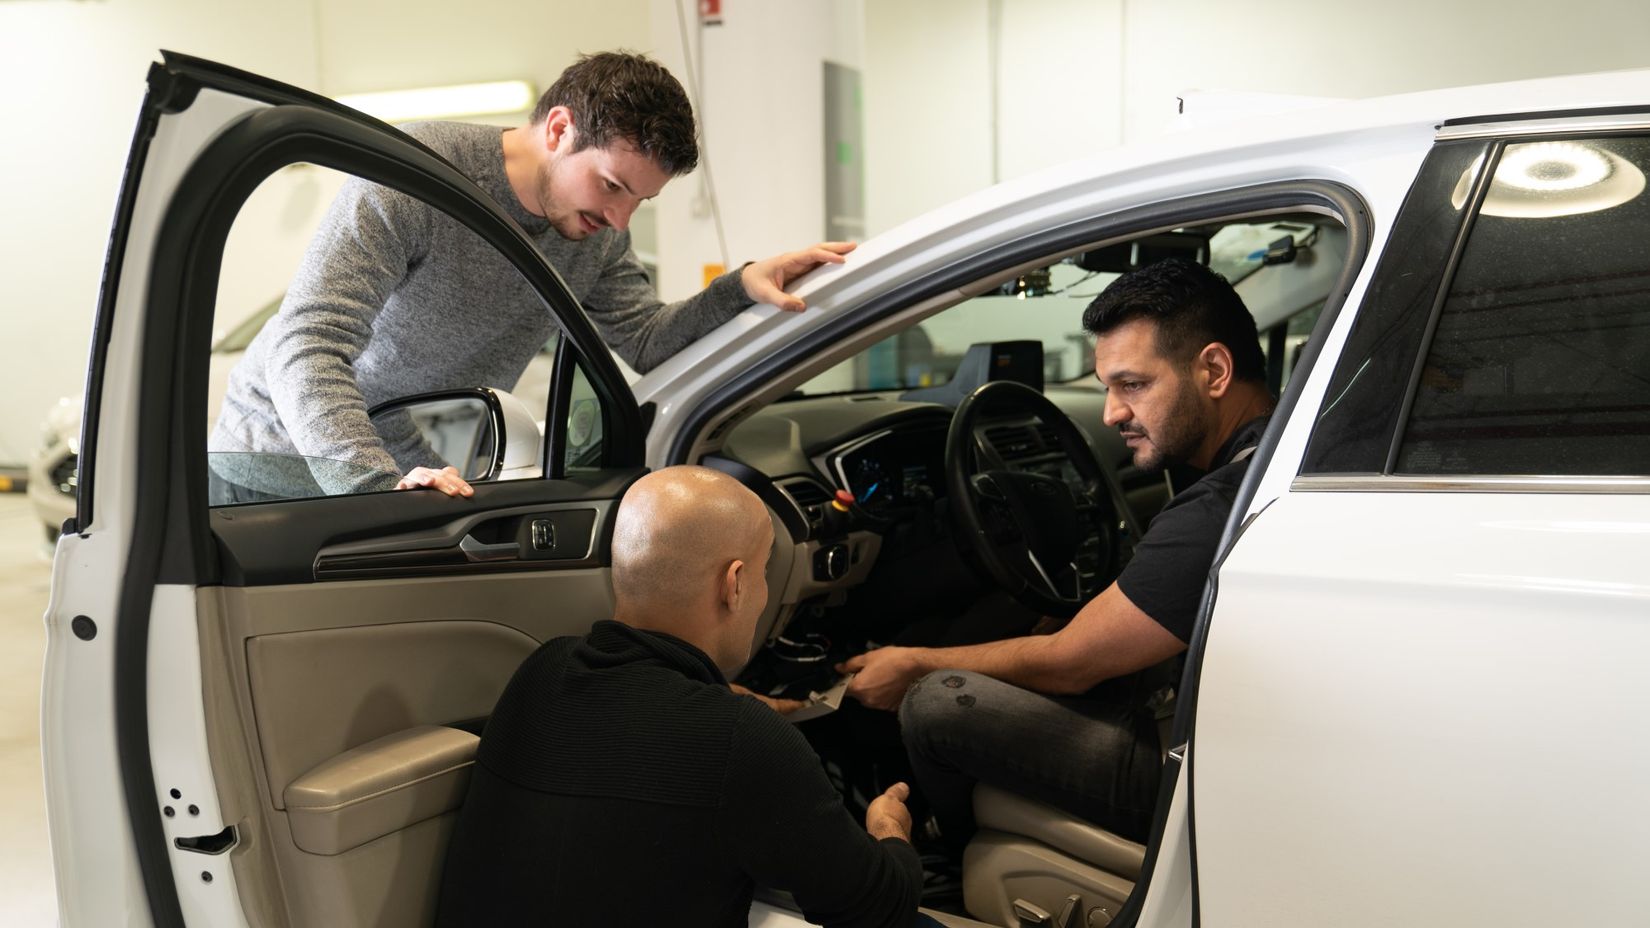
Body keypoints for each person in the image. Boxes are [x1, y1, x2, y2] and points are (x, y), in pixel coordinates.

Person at [209, 51, 853, 499]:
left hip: (400, 469)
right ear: (559, 127)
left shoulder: (591, 231)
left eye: (640, 202)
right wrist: (374, 483)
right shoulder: (414, 174)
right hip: (276, 464)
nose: (620, 218)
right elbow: (309, 341)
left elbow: (647, 339)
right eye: (611, 186)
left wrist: (739, 287)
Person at [838, 258, 1275, 847]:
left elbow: (1071, 663)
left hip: (1193, 774)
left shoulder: (1220, 507)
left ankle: (947, 859)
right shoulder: (1269, 458)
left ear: (1215, 370)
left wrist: (916, 663)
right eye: (1107, 389)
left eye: (1133, 385)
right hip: (1233, 740)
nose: (1111, 413)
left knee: (936, 704)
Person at [436, 466, 923, 928]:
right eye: (765, 569)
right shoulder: (741, 739)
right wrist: (888, 828)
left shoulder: (541, 672)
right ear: (734, 584)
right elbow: (878, 911)